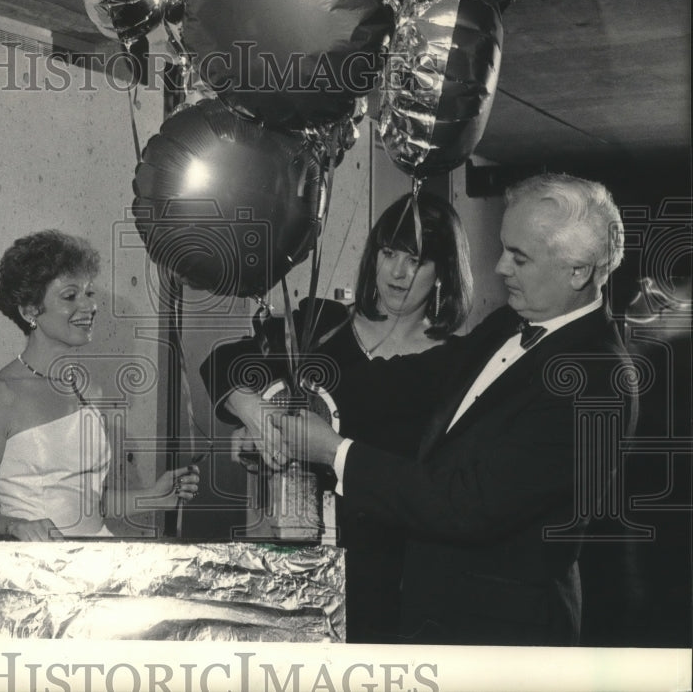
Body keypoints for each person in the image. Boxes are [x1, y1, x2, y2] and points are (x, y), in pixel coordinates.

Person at [260, 173, 637, 646]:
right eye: (504, 248)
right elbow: (387, 389)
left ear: (578, 271)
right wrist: (271, 419)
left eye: (519, 257)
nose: (500, 268)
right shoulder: (511, 320)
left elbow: (468, 505)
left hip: (499, 638)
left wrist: (334, 452)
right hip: (429, 616)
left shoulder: (599, 381)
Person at [201, 190, 473, 643]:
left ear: (444, 271)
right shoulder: (322, 325)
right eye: (388, 253)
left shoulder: (453, 365)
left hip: (395, 575)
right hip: (295, 562)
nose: (397, 273)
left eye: (416, 260)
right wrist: (254, 414)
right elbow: (222, 362)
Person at [0, 230, 199, 541]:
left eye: (89, 293)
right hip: (32, 568)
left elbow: (87, 503)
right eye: (71, 296)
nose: (89, 306)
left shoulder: (87, 390)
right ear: (30, 310)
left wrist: (154, 495)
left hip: (94, 558)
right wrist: (15, 526)